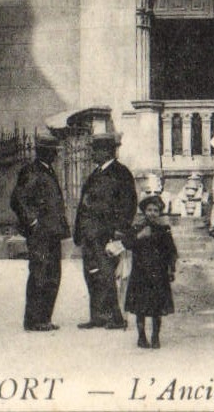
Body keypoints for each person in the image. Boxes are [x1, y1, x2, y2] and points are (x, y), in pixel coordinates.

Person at [73, 131, 137, 330]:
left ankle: (115, 318)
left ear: (107, 151)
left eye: (96, 150)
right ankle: (97, 316)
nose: (93, 154)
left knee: (107, 275)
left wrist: (119, 231)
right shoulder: (96, 173)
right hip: (90, 235)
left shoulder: (121, 173)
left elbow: (129, 204)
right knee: (91, 274)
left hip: (106, 235)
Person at [10, 127, 69, 332]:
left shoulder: (46, 169)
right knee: (40, 274)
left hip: (51, 232)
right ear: (44, 151)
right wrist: (33, 222)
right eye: (53, 150)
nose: (56, 154)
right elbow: (18, 199)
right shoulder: (32, 171)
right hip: (41, 233)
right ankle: (35, 320)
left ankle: (44, 318)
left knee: (52, 274)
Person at [120, 194, 177, 350]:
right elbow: (126, 244)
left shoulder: (164, 230)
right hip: (140, 274)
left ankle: (155, 336)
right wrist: (139, 236)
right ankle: (141, 337)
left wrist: (171, 269)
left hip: (159, 274)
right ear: (144, 211)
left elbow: (171, 251)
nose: (152, 213)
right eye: (149, 210)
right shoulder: (137, 228)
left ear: (159, 213)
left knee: (157, 309)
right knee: (140, 308)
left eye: (156, 210)